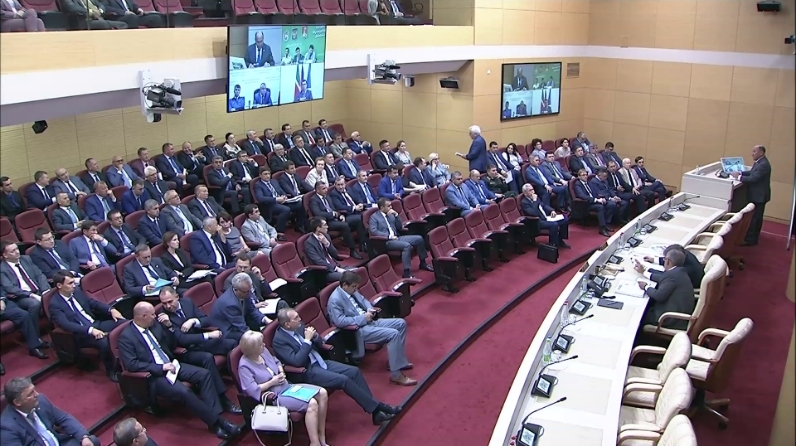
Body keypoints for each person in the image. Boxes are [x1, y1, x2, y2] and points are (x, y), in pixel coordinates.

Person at [118, 302, 242, 440]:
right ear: (143, 316)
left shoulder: (154, 325)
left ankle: (214, 416)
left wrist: (169, 327)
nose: (155, 316)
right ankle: (217, 423)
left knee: (204, 374)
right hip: (155, 376)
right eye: (152, 314)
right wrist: (161, 368)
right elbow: (132, 364)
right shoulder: (126, 337)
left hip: (172, 365)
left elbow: (172, 344)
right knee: (185, 392)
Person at [273, 307, 399, 425]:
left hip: (320, 361)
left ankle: (376, 411)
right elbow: (297, 361)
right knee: (343, 380)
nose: (300, 319)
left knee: (354, 371)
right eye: (296, 318)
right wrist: (307, 340)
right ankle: (378, 408)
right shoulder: (279, 341)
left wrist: (315, 337)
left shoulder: (298, 326)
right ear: (287, 324)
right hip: (308, 370)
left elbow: (319, 343)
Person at [238, 330, 329, 446]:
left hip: (286, 386)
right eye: (261, 344)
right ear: (252, 349)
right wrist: (272, 382)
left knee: (322, 393)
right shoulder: (244, 366)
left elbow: (276, 361)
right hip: (275, 396)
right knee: (312, 404)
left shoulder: (263, 352)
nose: (264, 345)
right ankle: (315, 443)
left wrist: (281, 371)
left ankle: (321, 436)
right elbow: (251, 389)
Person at [327, 272, 417, 385]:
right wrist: (363, 318)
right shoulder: (335, 300)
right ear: (345, 285)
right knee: (393, 334)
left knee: (400, 323)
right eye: (354, 287)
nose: (356, 289)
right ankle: (396, 375)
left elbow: (363, 300)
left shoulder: (351, 290)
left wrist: (370, 309)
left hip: (369, 321)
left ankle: (396, 361)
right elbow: (340, 321)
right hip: (358, 329)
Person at [48, 270, 125, 381]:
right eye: (70, 283)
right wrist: (90, 330)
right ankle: (111, 370)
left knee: (124, 324)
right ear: (59, 285)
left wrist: (110, 309)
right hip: (81, 334)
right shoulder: (55, 304)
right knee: (104, 342)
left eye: (74, 282)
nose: (74, 285)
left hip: (95, 323)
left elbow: (92, 303)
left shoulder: (77, 292)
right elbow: (66, 324)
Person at [1, 377, 100, 446]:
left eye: (34, 390)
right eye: (30, 394)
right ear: (17, 402)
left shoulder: (41, 400)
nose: (37, 394)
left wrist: (83, 437)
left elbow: (64, 418)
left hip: (59, 443)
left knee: (92, 441)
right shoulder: (7, 427)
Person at [157, 286, 236, 356]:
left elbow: (206, 320)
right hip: (189, 348)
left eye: (170, 301)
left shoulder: (187, 302)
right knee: (230, 345)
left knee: (234, 341)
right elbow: (182, 339)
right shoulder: (163, 317)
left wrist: (193, 321)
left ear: (177, 297)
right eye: (164, 303)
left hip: (201, 340)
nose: (168, 306)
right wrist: (208, 335)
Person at [370, 198, 433, 278]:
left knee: (419, 239)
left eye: (391, 205)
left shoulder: (391, 214)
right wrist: (388, 236)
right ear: (382, 208)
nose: (391, 207)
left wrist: (396, 215)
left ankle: (423, 263)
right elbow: (374, 231)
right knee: (406, 246)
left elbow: (399, 227)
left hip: (397, 237)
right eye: (388, 206)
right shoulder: (374, 217)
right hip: (386, 241)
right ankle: (406, 272)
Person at [637, 249, 695, 330]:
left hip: (669, 318)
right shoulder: (679, 272)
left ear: (668, 261)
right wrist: (644, 272)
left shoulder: (672, 275)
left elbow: (658, 295)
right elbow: (662, 278)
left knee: (639, 314)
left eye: (664, 259)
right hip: (677, 310)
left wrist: (646, 287)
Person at [209, 273, 272, 342]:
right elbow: (241, 326)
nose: (249, 293)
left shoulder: (245, 291)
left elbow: (252, 309)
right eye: (246, 292)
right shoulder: (229, 304)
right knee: (252, 339)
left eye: (250, 290)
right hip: (227, 330)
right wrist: (255, 336)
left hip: (239, 320)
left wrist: (265, 319)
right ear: (236, 290)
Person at [730, 145, 771, 246]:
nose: (752, 154)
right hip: (758, 195)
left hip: (759, 196)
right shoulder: (760, 162)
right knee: (755, 217)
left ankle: (751, 240)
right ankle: (751, 237)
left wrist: (739, 177)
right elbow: (752, 172)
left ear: (761, 152)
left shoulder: (763, 165)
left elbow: (754, 178)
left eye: (754, 151)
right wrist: (741, 172)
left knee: (755, 218)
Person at [520, 184, 570, 249]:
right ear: (525, 193)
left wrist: (552, 210)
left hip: (545, 217)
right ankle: (553, 244)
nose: (533, 192)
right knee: (554, 224)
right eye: (530, 190)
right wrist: (534, 201)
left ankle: (560, 240)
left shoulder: (536, 197)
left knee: (565, 220)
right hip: (537, 221)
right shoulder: (524, 202)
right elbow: (534, 213)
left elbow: (543, 206)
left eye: (533, 189)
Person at [636, 244, 704, 289]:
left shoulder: (685, 270)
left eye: (665, 259)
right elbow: (672, 259)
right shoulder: (683, 254)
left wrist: (644, 272)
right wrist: (654, 260)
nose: (665, 261)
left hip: (692, 286)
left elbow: (664, 278)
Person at [304, 217, 349, 282]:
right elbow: (318, 261)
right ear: (318, 228)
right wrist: (335, 268)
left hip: (337, 265)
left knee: (358, 271)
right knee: (349, 277)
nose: (327, 227)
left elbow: (335, 254)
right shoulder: (309, 243)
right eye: (325, 225)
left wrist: (327, 243)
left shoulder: (326, 236)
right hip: (325, 272)